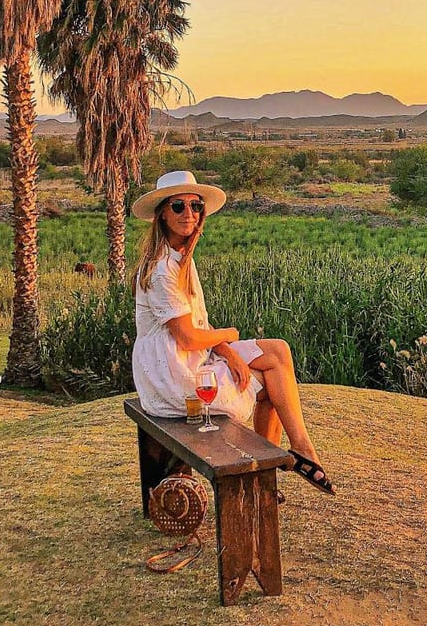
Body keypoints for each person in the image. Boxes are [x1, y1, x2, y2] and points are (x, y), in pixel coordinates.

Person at [130, 170, 335, 495]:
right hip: (172, 374)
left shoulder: (182, 260)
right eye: (178, 206)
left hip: (189, 358)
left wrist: (229, 353)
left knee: (278, 351)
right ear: (162, 214)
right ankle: (270, 472)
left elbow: (199, 327)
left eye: (195, 206)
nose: (189, 214)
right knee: (271, 382)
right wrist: (230, 334)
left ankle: (298, 450)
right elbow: (187, 338)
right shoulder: (161, 270)